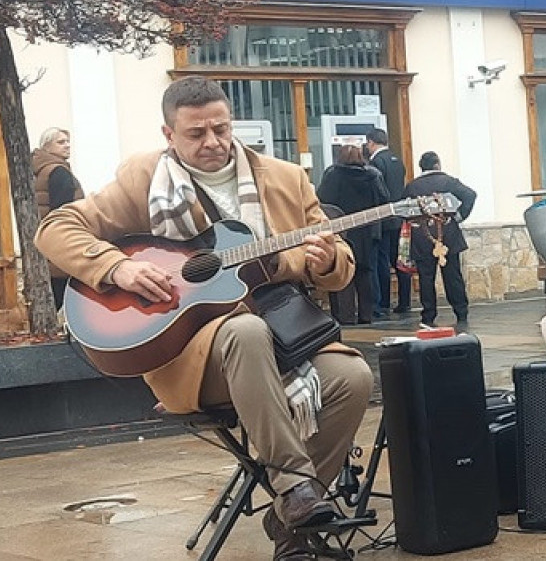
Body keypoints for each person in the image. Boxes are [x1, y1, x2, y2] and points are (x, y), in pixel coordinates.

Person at [34, 76, 374, 561]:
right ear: (168, 134)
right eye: (196, 134)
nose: (213, 142)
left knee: (353, 375)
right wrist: (118, 266)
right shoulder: (141, 177)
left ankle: (292, 521)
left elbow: (336, 259)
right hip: (189, 354)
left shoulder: (283, 177)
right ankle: (296, 486)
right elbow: (55, 228)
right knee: (243, 330)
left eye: (221, 129)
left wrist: (321, 261)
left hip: (282, 336)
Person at [403, 151, 476, 331]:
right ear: (437, 165)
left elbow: (404, 209)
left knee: (426, 278)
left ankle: (428, 314)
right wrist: (459, 216)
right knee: (453, 275)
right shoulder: (449, 182)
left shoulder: (412, 186)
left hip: (422, 235)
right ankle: (461, 310)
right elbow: (470, 195)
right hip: (448, 233)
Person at [317, 145, 388, 325]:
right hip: (366, 230)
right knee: (365, 272)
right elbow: (383, 199)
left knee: (342, 271)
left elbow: (321, 201)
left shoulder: (332, 175)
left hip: (340, 229)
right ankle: (367, 314)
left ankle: (344, 316)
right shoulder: (372, 176)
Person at [31, 127, 84, 309]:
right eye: (61, 142)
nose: (67, 145)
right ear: (47, 146)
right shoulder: (58, 173)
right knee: (65, 299)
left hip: (45, 243)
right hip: (61, 244)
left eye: (67, 141)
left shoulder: (40, 169)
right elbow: (63, 213)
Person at [366, 128, 412, 315]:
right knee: (400, 261)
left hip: (384, 218)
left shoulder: (376, 162)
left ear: (371, 142)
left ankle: (384, 302)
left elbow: (377, 191)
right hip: (399, 217)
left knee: (382, 262)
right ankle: (404, 301)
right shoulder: (397, 161)